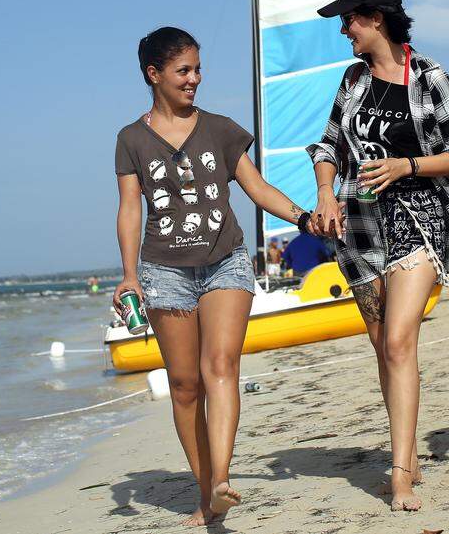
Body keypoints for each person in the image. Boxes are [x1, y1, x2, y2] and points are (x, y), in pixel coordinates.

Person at [309, 0, 449, 511]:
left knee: (398, 342)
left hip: (419, 220)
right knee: (384, 347)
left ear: (376, 18)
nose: (344, 28)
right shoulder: (352, 81)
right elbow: (328, 144)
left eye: (349, 18)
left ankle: (398, 472)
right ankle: (409, 449)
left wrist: (405, 166)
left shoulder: (429, 77)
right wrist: (326, 194)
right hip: (360, 229)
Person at [114, 27, 325, 526]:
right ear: (154, 74)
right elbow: (128, 209)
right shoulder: (131, 140)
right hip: (164, 271)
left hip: (225, 261)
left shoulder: (221, 128)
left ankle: (223, 480)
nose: (194, 79)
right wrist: (129, 275)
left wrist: (302, 217)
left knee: (221, 364)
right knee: (185, 385)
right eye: (183, 71)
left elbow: (256, 187)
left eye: (197, 69)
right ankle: (206, 491)